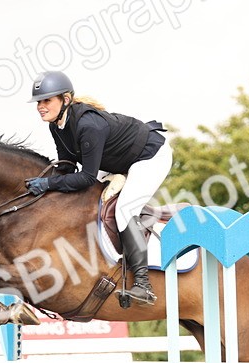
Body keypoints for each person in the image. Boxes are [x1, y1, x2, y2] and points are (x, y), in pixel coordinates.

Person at [24, 70, 171, 305]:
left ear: (66, 100)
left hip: (149, 156)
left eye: (46, 100)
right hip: (116, 160)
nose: (41, 106)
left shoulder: (88, 125)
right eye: (39, 102)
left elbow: (86, 177)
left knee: (124, 211)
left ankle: (144, 285)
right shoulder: (56, 126)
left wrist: (48, 183)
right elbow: (68, 168)